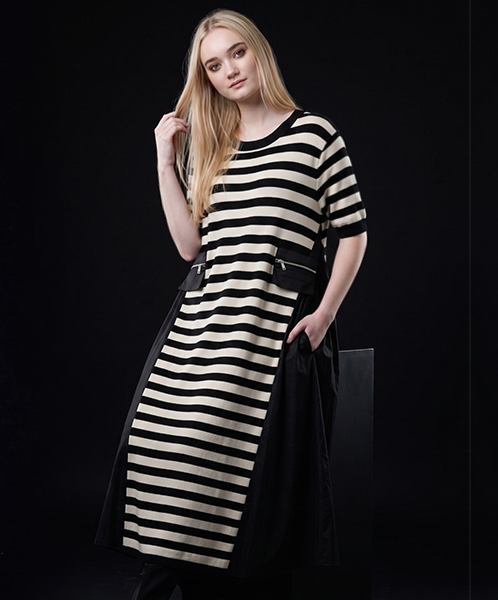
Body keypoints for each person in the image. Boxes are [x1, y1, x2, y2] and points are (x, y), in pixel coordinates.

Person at [94, 9, 368, 599]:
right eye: (214, 66)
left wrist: (324, 314)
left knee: (229, 464)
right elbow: (190, 246)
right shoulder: (214, 147)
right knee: (159, 446)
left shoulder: (315, 135)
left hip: (269, 328)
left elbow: (353, 233)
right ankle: (168, 579)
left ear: (258, 52)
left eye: (236, 53)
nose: (229, 71)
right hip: (199, 323)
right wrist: (164, 162)